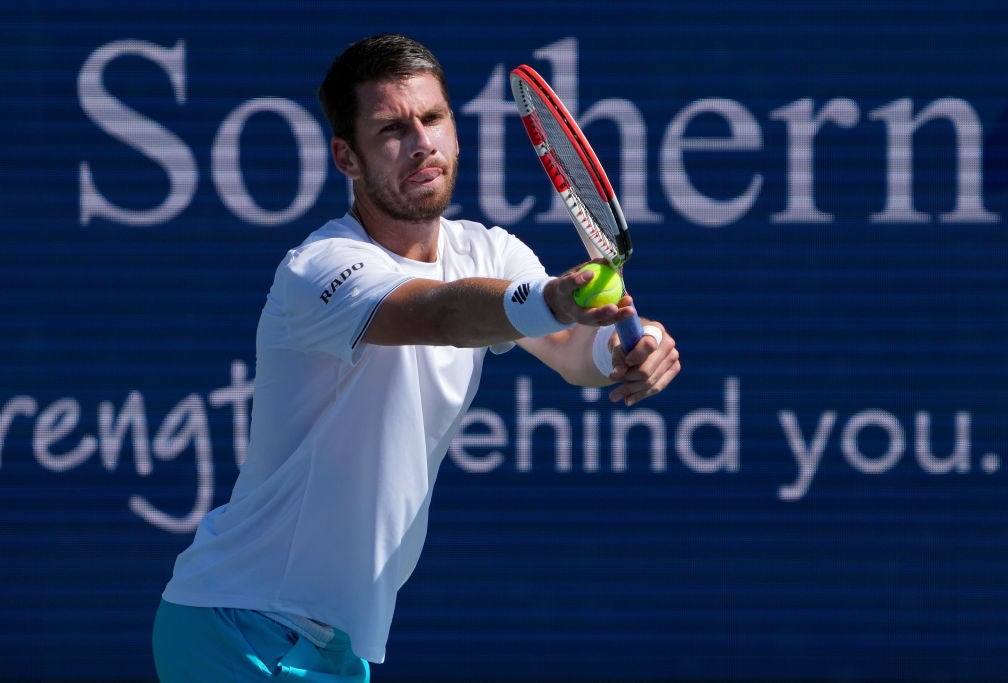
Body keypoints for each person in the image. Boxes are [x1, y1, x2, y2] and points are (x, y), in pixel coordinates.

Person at [152, 33, 680, 682]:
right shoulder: (320, 268)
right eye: (391, 129)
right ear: (346, 157)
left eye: (433, 118)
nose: (422, 142)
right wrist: (556, 299)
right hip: (238, 626)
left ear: (456, 131)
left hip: (332, 644)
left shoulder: (491, 250)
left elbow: (575, 351)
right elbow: (442, 314)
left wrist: (636, 345)